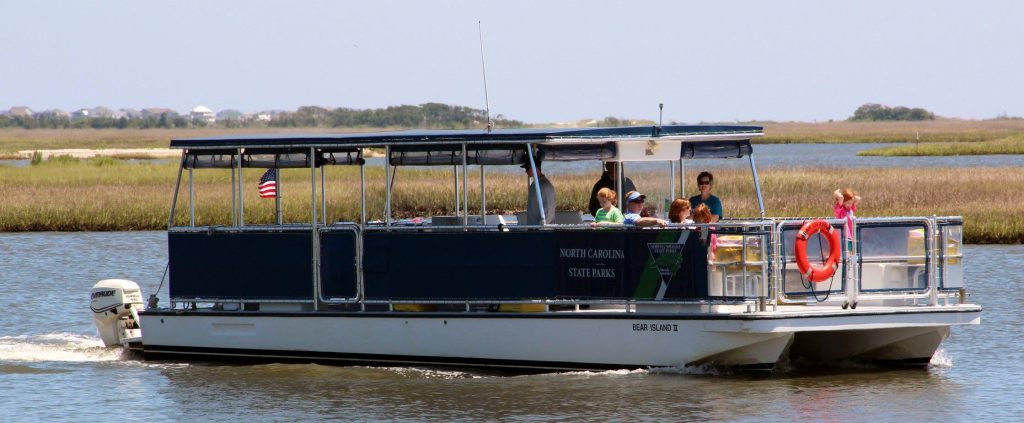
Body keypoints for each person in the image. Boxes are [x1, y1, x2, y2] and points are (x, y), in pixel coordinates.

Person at [524, 159, 555, 225]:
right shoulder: (535, 184)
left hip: (542, 231)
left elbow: (548, 209)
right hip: (533, 229)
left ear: (536, 168)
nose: (525, 171)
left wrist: (541, 228)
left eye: (527, 168)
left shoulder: (545, 186)